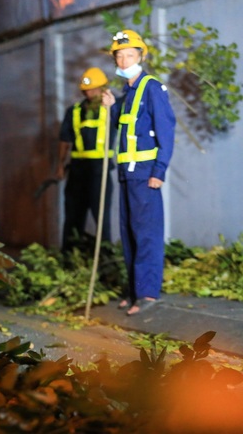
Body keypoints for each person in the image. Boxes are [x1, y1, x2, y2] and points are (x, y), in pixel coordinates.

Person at [102, 30, 176, 316]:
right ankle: (133, 290)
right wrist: (111, 108)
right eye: (119, 55)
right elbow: (124, 132)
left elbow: (166, 131)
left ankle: (146, 294)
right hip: (127, 174)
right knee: (130, 233)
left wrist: (160, 170)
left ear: (140, 57)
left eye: (129, 54)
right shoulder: (127, 93)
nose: (123, 59)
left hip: (146, 175)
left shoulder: (152, 88)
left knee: (146, 234)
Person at [57, 67, 116, 253]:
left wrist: (112, 104)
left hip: (100, 171)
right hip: (77, 171)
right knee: (73, 217)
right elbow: (65, 140)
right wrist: (60, 165)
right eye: (86, 90)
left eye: (94, 89)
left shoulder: (113, 108)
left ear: (103, 88)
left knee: (101, 219)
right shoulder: (74, 111)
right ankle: (69, 259)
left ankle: (105, 260)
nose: (89, 93)